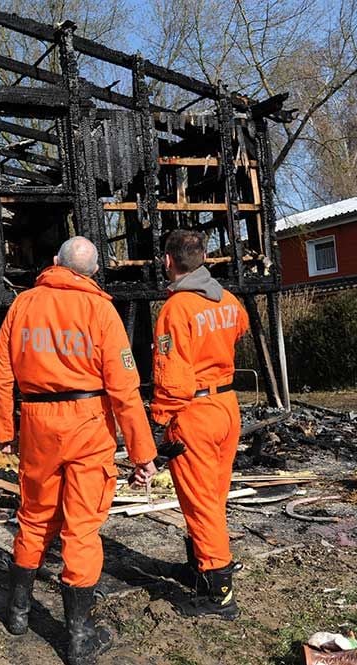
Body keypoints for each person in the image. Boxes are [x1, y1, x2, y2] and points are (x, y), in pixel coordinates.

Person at [0, 236, 158, 663]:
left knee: (34, 515)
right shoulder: (101, 310)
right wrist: (142, 452)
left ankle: (18, 614)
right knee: (81, 528)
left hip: (38, 426)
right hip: (88, 426)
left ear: (53, 263)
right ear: (95, 272)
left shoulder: (23, 305)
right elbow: (124, 387)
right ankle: (79, 639)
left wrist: (4, 431)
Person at [151, 229, 248, 619]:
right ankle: (201, 568)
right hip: (226, 405)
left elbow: (171, 375)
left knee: (201, 502)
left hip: (194, 412)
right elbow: (238, 327)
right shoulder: (226, 298)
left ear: (168, 261)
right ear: (203, 258)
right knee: (215, 496)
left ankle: (219, 590)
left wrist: (159, 423)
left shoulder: (176, 309)